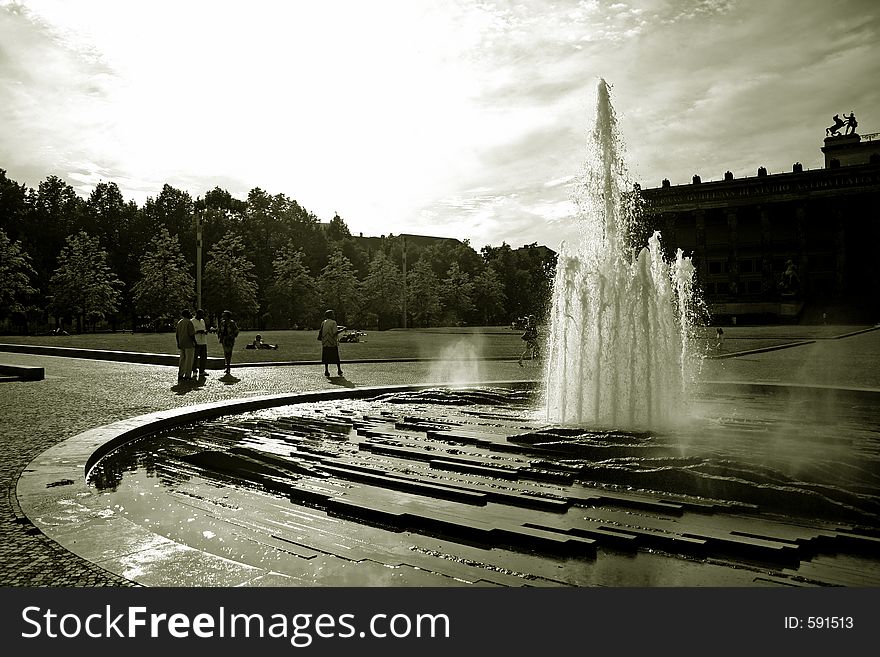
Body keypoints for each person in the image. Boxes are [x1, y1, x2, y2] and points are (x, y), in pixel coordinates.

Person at [317, 309, 345, 378]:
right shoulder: (333, 322)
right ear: (331, 315)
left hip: (325, 342)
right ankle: (339, 370)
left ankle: (326, 370)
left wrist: (340, 327)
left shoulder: (324, 322)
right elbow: (335, 332)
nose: (334, 315)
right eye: (333, 314)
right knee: (336, 357)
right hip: (332, 343)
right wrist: (343, 329)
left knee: (326, 357)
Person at [175, 309, 196, 382]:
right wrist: (195, 342)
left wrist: (178, 343)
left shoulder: (179, 322)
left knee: (182, 360)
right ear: (187, 314)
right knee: (189, 361)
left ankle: (180, 374)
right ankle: (187, 375)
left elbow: (177, 335)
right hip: (189, 344)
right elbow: (191, 334)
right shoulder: (189, 322)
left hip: (181, 343)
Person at [217, 310, 239, 375]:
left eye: (224, 315)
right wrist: (220, 336)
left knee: (229, 352)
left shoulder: (232, 323)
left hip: (229, 340)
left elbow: (236, 330)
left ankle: (228, 366)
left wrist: (232, 336)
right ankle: (227, 366)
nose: (223, 316)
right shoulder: (222, 323)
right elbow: (220, 330)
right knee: (226, 353)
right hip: (224, 339)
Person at [191, 308, 209, 378]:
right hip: (196, 341)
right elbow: (191, 332)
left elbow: (204, 329)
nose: (202, 316)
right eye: (201, 314)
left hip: (203, 341)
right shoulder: (192, 321)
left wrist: (205, 331)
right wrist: (198, 331)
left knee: (203, 357)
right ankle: (194, 371)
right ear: (197, 314)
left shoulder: (202, 321)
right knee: (195, 357)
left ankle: (202, 370)